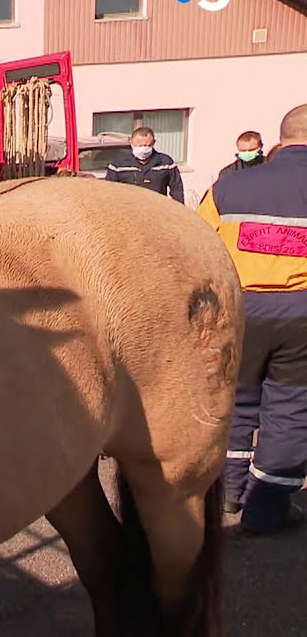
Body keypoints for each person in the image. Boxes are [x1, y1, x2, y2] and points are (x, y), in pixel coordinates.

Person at [196, 102, 307, 535]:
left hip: (238, 310)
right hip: (300, 314)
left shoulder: (228, 186)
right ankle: (266, 510)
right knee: (290, 411)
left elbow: (197, 245)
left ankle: (228, 492)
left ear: (279, 141)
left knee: (236, 402)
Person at [104, 127, 185, 202]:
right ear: (131, 142)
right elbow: (109, 191)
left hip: (157, 208)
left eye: (147, 145)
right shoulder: (118, 164)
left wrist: (179, 210)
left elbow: (177, 189)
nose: (143, 149)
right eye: (139, 145)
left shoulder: (166, 163)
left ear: (153, 142)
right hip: (129, 208)